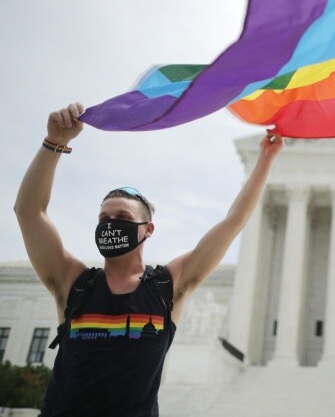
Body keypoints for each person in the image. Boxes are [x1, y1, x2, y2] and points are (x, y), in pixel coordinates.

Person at [14, 102, 283, 416]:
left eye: (122, 216)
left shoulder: (167, 287)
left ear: (147, 229)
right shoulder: (73, 283)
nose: (110, 223)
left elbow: (233, 221)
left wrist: (265, 159)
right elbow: (30, 213)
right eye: (104, 217)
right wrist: (54, 143)